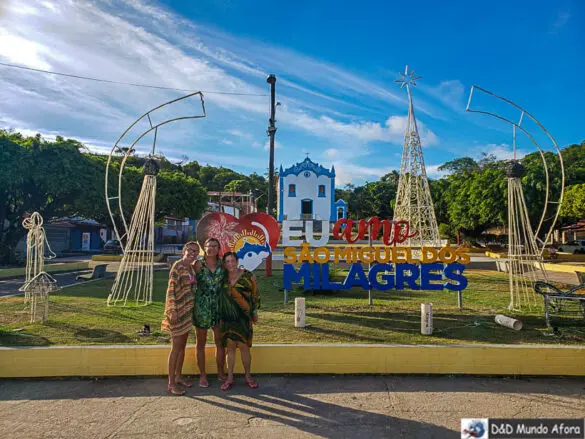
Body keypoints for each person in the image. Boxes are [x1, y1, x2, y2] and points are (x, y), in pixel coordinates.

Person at [218, 251, 260, 391]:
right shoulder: (222, 277)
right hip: (227, 317)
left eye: (232, 261)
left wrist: (254, 312)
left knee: (244, 347)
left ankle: (248, 376)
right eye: (227, 261)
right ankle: (230, 377)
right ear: (224, 264)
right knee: (230, 349)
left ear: (237, 261)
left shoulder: (248, 275)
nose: (230, 264)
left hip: (244, 317)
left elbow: (255, 295)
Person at [161, 241, 199, 396]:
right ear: (184, 250)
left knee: (182, 346)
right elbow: (171, 290)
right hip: (177, 311)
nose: (193, 253)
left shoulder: (191, 267)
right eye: (190, 250)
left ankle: (178, 377)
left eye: (196, 251)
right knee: (176, 348)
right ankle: (171, 383)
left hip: (187, 312)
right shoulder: (177, 266)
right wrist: (173, 310)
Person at [193, 237, 227, 387]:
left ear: (219, 249)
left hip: (219, 307)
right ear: (204, 248)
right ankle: (203, 375)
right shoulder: (198, 264)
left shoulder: (223, 264)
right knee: (201, 342)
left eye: (214, 246)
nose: (211, 248)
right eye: (209, 245)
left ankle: (220, 372)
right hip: (202, 307)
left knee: (220, 342)